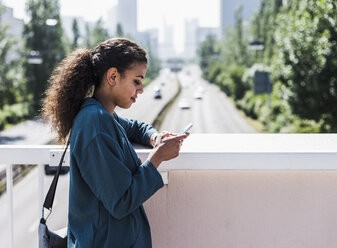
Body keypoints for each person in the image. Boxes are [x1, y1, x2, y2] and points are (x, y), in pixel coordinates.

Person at [42, 37, 188, 247]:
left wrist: (155, 137)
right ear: (113, 76)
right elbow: (121, 201)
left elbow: (135, 127)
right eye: (136, 81)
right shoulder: (95, 122)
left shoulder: (101, 115)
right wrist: (157, 158)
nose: (141, 89)